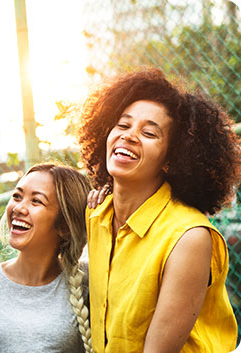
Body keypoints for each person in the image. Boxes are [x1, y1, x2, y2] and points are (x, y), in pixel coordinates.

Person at [78, 68, 239, 352]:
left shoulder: (188, 237)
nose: (128, 136)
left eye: (149, 132)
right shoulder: (97, 215)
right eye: (122, 125)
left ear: (171, 160)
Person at [0, 163, 92, 353]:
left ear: (64, 225)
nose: (19, 208)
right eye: (17, 196)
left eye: (36, 201)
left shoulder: (87, 281)